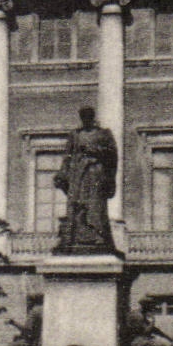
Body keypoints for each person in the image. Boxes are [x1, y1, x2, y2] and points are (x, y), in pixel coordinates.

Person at [53, 106, 118, 254]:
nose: (86, 120)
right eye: (83, 117)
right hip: (78, 175)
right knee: (77, 204)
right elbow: (67, 158)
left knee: (96, 205)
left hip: (96, 173)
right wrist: (62, 174)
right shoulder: (75, 135)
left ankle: (98, 234)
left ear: (93, 117)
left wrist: (95, 151)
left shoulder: (104, 134)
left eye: (88, 117)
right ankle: (75, 236)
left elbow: (112, 155)